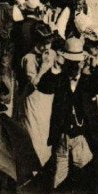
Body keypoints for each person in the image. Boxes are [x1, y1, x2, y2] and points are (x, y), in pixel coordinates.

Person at [38, 37, 98, 194]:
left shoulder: (89, 79)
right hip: (62, 136)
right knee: (59, 175)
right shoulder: (59, 77)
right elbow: (43, 87)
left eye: (77, 62)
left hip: (82, 136)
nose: (74, 66)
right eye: (70, 62)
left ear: (83, 60)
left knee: (84, 174)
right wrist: (55, 68)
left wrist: (96, 69)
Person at [15, 33, 56, 166]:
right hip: (33, 99)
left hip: (48, 99)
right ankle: (33, 162)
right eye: (42, 44)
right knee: (32, 129)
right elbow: (34, 83)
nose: (45, 47)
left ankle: (43, 161)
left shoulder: (52, 54)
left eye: (48, 43)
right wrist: (43, 68)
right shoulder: (29, 58)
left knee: (45, 129)